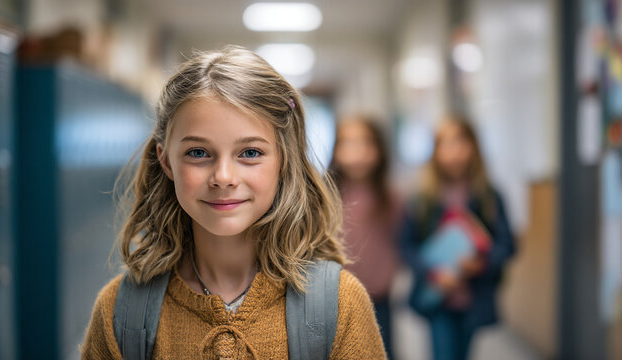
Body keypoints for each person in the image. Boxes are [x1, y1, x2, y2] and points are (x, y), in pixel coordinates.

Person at [81, 46, 386, 359]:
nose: (223, 177)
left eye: (250, 153)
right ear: (167, 161)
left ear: (284, 159)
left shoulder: (340, 304)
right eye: (198, 153)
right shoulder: (121, 311)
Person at [399, 116, 515, 360]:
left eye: (461, 142)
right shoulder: (423, 200)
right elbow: (406, 245)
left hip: (473, 298)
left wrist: (481, 263)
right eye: (446, 143)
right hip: (437, 297)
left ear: (474, 147)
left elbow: (508, 244)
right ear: (435, 151)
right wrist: (433, 272)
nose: (454, 151)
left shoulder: (489, 197)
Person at [328, 116, 402, 359]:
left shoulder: (393, 199)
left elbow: (402, 244)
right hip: (335, 301)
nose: (357, 151)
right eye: (348, 143)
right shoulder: (324, 198)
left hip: (379, 299)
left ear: (380, 149)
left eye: (365, 143)